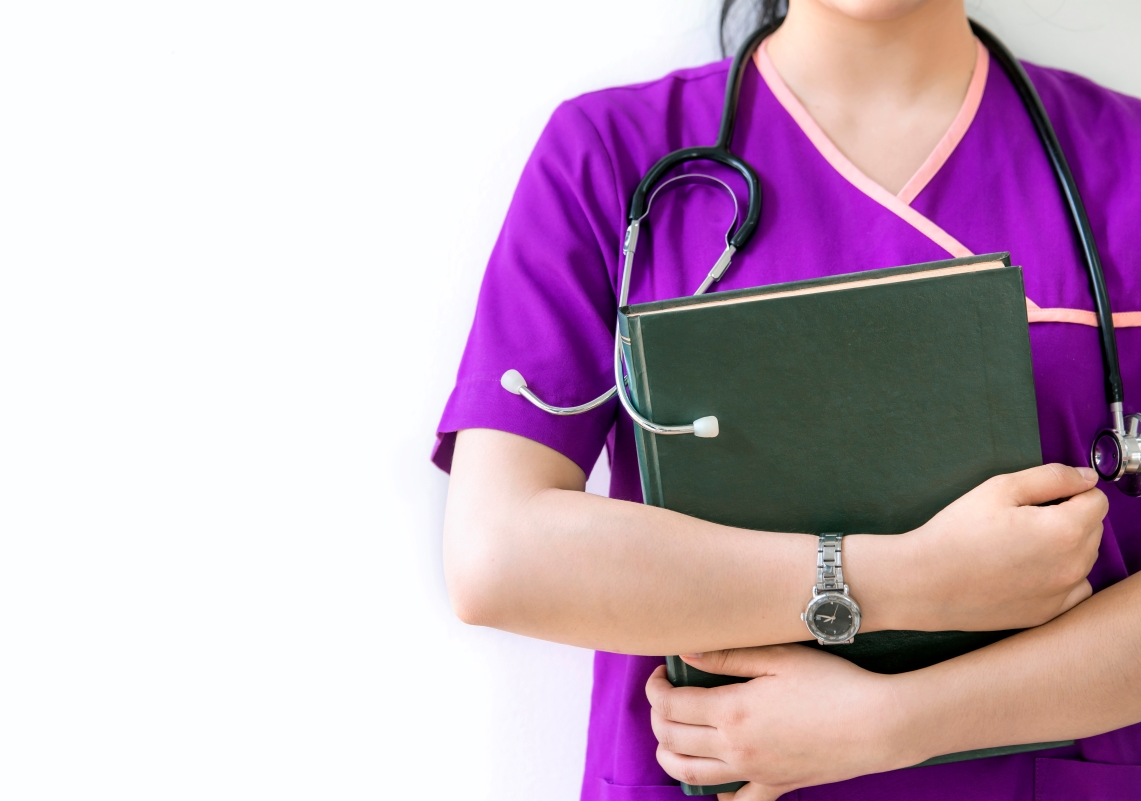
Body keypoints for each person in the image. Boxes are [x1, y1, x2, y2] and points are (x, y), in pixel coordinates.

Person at [433, 0, 1141, 798]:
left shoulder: (1129, 159)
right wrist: (910, 577)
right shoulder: (609, 153)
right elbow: (501, 554)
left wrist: (891, 723)